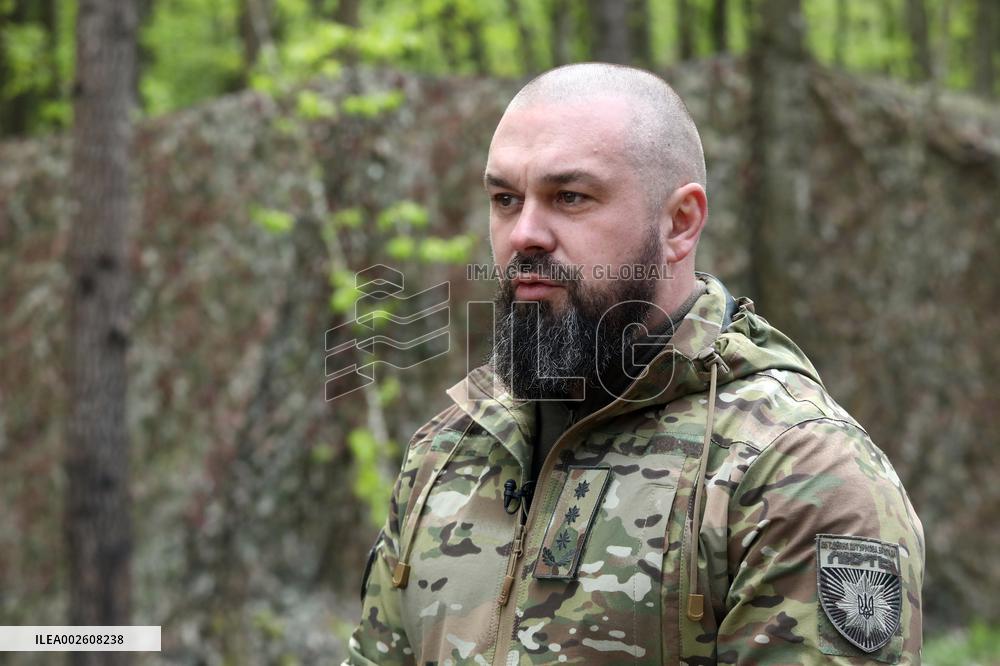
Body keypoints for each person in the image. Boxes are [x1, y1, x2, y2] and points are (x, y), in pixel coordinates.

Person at [343, 63, 924, 665]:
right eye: (505, 199)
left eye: (570, 197)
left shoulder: (796, 474)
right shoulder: (450, 450)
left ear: (679, 223)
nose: (524, 234)